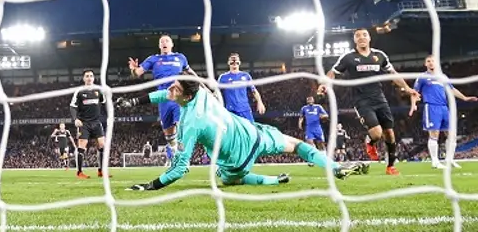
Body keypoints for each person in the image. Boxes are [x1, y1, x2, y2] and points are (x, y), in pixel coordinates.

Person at [117, 79, 369, 191]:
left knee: (228, 179)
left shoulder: (189, 124)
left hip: (236, 162)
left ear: (186, 96)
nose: (170, 89)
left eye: (175, 87)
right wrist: (134, 102)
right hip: (253, 135)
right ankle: (334, 167)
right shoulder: (201, 93)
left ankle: (272, 181)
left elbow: (180, 169)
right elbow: (164, 94)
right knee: (298, 145)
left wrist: (151, 186)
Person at [319, 28, 419, 175]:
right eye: (357, 36)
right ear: (354, 40)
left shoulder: (380, 55)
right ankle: (370, 142)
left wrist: (407, 88)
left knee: (390, 134)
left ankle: (390, 166)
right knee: (377, 134)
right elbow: (333, 72)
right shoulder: (348, 58)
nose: (361, 37)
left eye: (364, 35)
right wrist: (325, 84)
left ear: (369, 38)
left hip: (380, 98)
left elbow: (393, 74)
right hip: (361, 100)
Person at [128, 34, 199, 164]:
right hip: (163, 97)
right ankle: (173, 152)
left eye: (167, 41)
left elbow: (191, 74)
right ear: (159, 46)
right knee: (169, 134)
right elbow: (137, 74)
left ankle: (183, 158)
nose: (164, 43)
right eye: (162, 41)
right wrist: (133, 69)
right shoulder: (153, 59)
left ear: (172, 44)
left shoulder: (180, 57)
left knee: (180, 126)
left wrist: (202, 84)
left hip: (179, 96)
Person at [409, 55, 478, 169]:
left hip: (444, 107)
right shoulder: (422, 77)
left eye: (433, 61)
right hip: (431, 107)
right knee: (434, 134)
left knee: (452, 134)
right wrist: (413, 105)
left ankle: (449, 160)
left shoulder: (442, 77)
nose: (431, 63)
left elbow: (451, 89)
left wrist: (465, 98)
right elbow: (414, 92)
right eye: (428, 61)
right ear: (425, 64)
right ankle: (435, 162)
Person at [69, 69, 111, 178]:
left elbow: (105, 104)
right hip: (84, 123)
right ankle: (79, 172)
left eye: (91, 76)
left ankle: (101, 171)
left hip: (96, 122)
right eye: (87, 76)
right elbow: (73, 106)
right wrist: (75, 119)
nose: (89, 78)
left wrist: (110, 116)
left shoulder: (99, 91)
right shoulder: (79, 91)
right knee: (82, 147)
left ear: (93, 78)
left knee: (102, 145)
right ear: (83, 78)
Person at [218, 53, 266, 122]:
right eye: (232, 61)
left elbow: (254, 91)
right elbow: (217, 92)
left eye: (236, 61)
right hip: (231, 112)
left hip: (245, 110)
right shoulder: (223, 77)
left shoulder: (246, 76)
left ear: (239, 63)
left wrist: (260, 102)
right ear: (228, 63)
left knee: (251, 130)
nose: (234, 63)